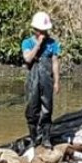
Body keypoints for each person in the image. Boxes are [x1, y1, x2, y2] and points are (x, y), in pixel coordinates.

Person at [22, 11, 62, 147]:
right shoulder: (27, 43)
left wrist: (56, 82)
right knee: (32, 110)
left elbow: (55, 63)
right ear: (35, 30)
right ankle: (34, 139)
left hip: (47, 80)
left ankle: (45, 138)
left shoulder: (53, 44)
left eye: (45, 30)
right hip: (32, 80)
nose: (44, 33)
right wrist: (38, 45)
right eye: (41, 31)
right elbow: (27, 59)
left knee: (47, 109)